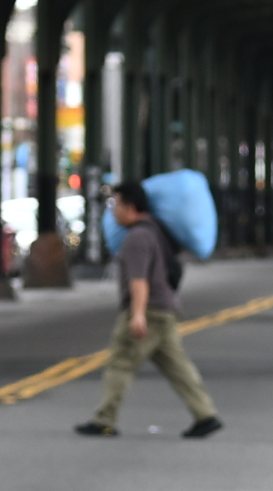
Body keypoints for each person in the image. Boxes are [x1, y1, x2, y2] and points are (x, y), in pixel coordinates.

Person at [76, 179, 221, 438]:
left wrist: (137, 315)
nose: (113, 211)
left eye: (116, 204)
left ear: (130, 207)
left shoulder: (137, 238)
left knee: (120, 363)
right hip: (165, 310)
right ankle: (205, 414)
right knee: (177, 366)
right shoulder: (155, 230)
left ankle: (104, 419)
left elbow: (140, 280)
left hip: (150, 311)